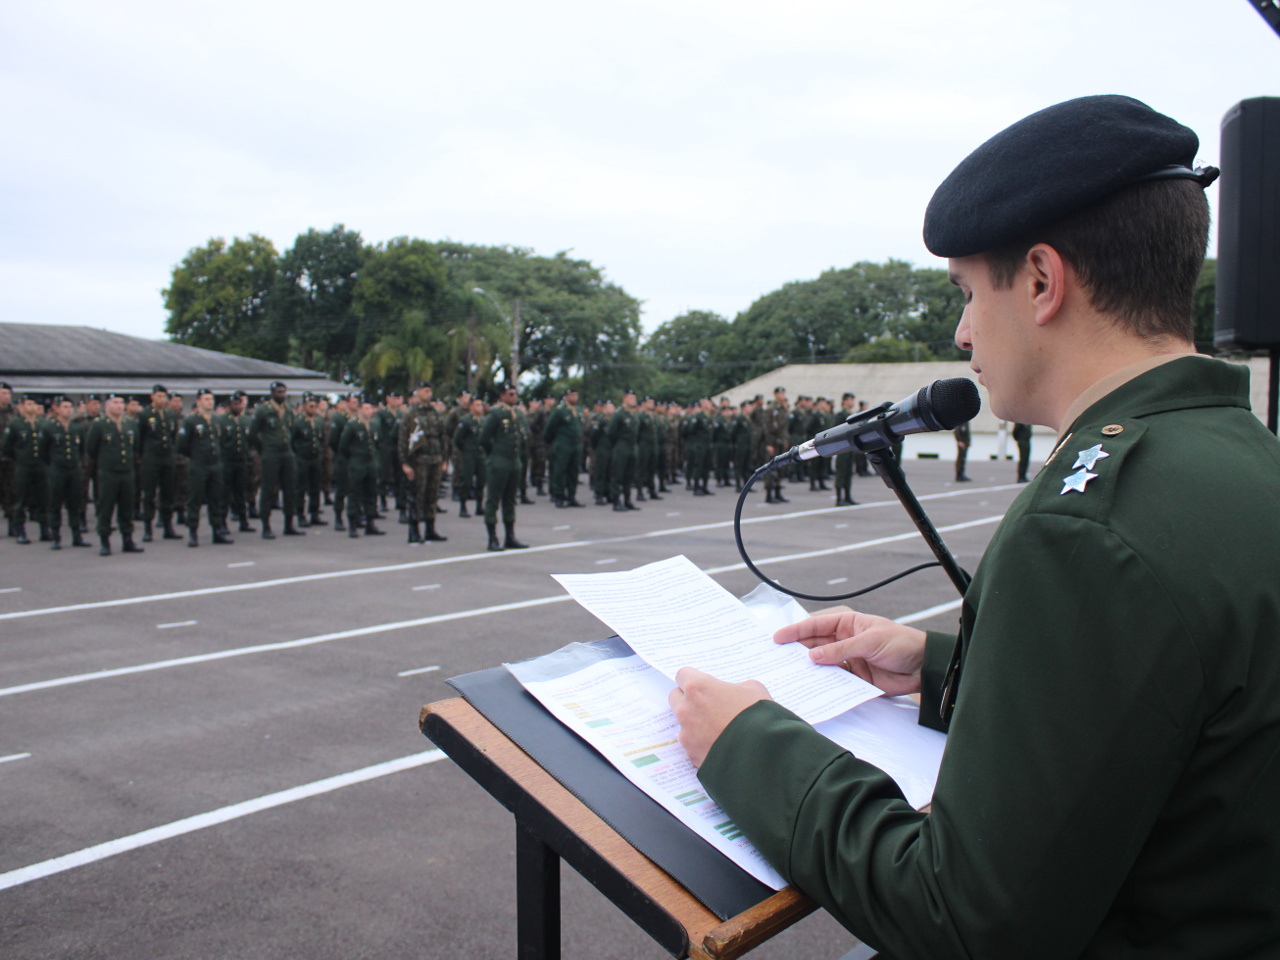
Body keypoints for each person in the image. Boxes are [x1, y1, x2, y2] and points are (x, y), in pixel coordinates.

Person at [668, 95, 1280, 958]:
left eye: (965, 291)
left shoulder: (1087, 526)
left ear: (1040, 281)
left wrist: (752, 748)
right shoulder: (1241, 453)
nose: (961, 331)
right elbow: (1179, 705)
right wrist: (943, 673)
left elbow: (968, 918)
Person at [85, 393, 144, 556]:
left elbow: (136, 447)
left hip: (127, 472)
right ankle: (105, 541)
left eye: (121, 402)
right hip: (108, 473)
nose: (119, 406)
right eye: (115, 402)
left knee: (127, 507)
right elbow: (91, 449)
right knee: (106, 507)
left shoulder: (129, 424)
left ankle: (128, 539)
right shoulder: (99, 425)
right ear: (107, 406)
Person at [177, 388, 232, 546]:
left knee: (216, 498)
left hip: (215, 464)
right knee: (195, 499)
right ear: (199, 401)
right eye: (206, 399)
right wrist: (196, 455)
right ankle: (193, 532)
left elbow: (220, 440)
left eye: (211, 399)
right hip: (198, 464)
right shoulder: (191, 421)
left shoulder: (216, 420)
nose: (210, 402)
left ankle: (217, 531)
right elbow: (182, 445)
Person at [249, 381, 304, 539]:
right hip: (271, 453)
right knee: (267, 489)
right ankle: (266, 526)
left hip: (286, 453)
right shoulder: (263, 410)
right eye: (279, 392)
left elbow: (291, 429)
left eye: (284, 392)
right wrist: (264, 448)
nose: (282, 395)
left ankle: (289, 524)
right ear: (272, 393)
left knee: (290, 489)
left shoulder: (287, 409)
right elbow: (253, 434)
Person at [480, 384, 529, 551]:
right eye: (510, 394)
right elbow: (484, 438)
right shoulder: (496, 413)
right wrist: (493, 455)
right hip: (499, 462)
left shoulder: (518, 414)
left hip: (514, 462)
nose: (514, 397)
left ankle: (510, 536)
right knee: (493, 501)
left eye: (515, 394)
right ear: (502, 396)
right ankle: (492, 538)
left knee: (510, 500)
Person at [400, 381, 447, 544]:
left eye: (430, 391)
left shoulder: (434, 412)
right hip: (419, 459)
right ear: (418, 392)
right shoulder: (411, 413)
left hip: (435, 458)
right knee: (417, 495)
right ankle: (414, 530)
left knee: (432, 495)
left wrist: (444, 458)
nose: (428, 393)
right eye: (425, 391)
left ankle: (430, 529)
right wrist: (404, 463)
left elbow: (442, 436)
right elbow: (403, 439)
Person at [40, 396, 90, 548]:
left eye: (70, 407)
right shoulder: (49, 427)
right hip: (57, 470)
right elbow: (43, 452)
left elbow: (82, 450)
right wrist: (54, 464)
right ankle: (56, 536)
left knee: (75, 503)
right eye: (64, 407)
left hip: (73, 470)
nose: (68, 410)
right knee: (55, 504)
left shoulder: (76, 427)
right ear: (56, 409)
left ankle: (77, 535)